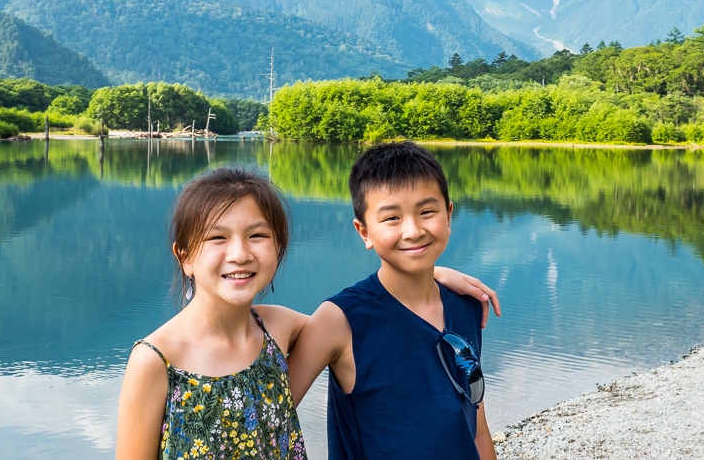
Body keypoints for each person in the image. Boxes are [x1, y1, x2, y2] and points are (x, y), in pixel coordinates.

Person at [116, 167, 499, 460]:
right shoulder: (155, 360)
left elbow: (374, 313)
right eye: (217, 238)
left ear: (278, 247)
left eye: (257, 235)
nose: (240, 253)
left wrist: (429, 273)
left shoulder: (277, 329)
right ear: (184, 257)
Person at [288, 141, 497, 460]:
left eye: (427, 212)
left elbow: (477, 426)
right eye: (391, 218)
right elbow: (269, 419)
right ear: (364, 232)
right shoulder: (340, 320)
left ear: (449, 214)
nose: (413, 231)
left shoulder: (465, 305)